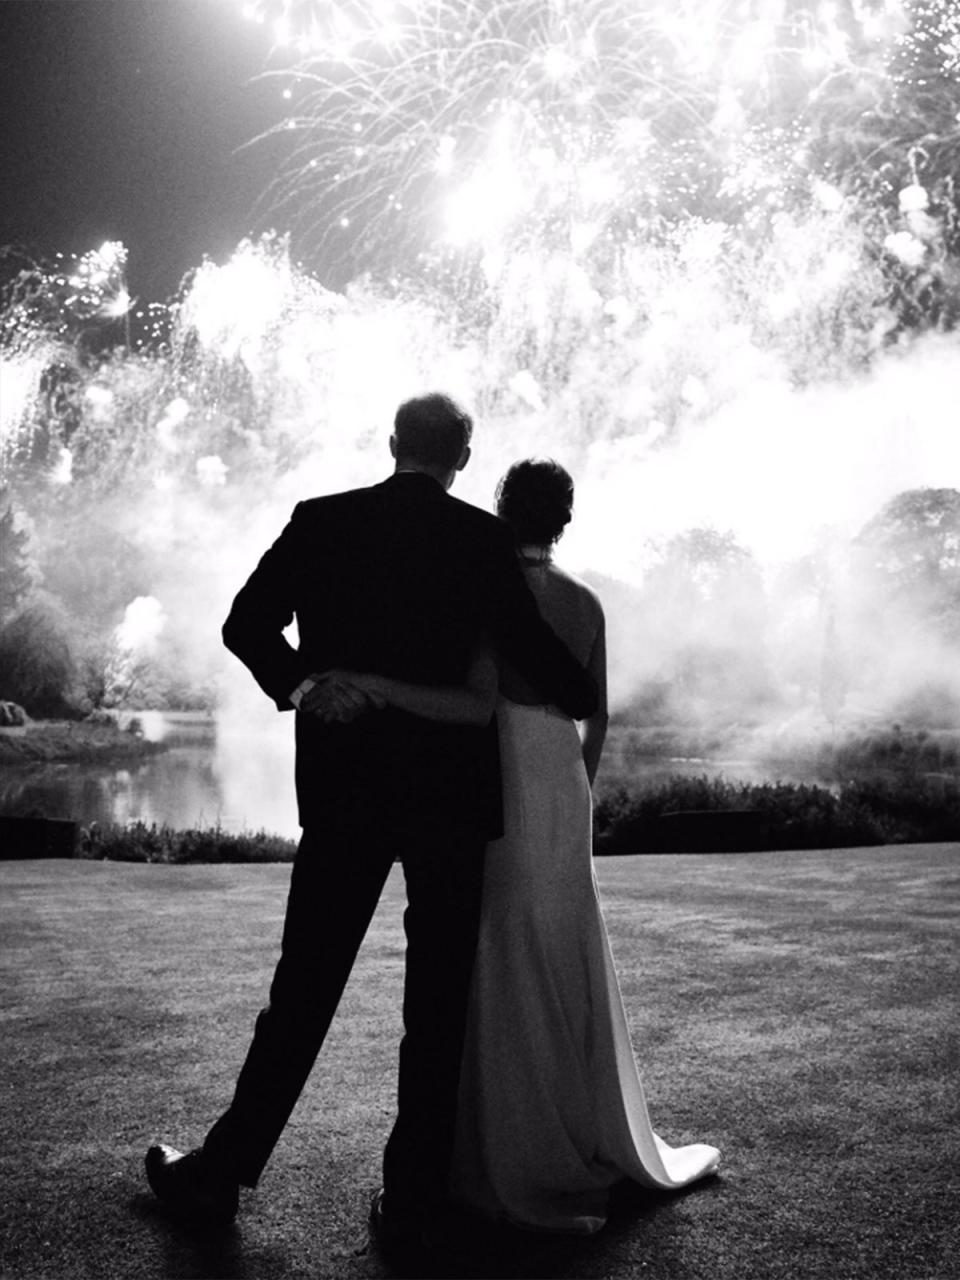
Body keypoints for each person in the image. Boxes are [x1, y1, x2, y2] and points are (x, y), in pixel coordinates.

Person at [143, 395, 597, 1262]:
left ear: (391, 446)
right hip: (451, 801)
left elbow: (245, 625)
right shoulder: (479, 542)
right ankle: (414, 1201)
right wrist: (576, 691)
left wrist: (310, 684)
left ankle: (220, 1177)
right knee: (435, 1005)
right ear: (463, 457)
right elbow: (533, 653)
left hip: (347, 788)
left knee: (303, 991)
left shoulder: (322, 521)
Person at [332, 459, 721, 1235]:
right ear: (564, 520)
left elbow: (474, 698)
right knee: (559, 939)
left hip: (496, 765)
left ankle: (492, 1146)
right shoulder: (585, 602)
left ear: (502, 510)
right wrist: (577, 791)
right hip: (560, 773)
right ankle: (576, 1128)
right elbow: (598, 715)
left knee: (493, 945)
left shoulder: (483, 587)